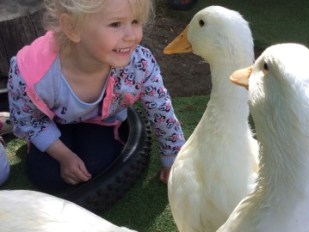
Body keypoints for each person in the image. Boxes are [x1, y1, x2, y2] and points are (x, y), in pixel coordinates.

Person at [7, 0, 185, 193]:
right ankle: (47, 147)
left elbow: (161, 110)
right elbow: (27, 120)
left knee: (97, 165)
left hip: (101, 121)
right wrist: (64, 155)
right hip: (49, 123)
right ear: (72, 27)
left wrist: (173, 158)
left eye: (135, 21)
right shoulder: (32, 74)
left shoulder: (139, 65)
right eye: (115, 24)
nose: (132, 36)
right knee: (46, 176)